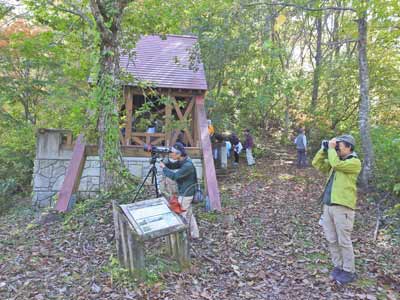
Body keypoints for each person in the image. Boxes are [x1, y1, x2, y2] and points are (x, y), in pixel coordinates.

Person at [312, 134, 361, 285]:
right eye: (336, 144)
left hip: (343, 208)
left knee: (343, 240)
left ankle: (349, 270)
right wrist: (323, 149)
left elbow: (336, 164)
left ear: (349, 147)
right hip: (328, 206)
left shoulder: (354, 162)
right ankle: (338, 266)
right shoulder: (336, 160)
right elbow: (316, 163)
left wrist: (332, 150)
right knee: (331, 239)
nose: (337, 147)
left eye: (340, 144)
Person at [160, 142, 200, 239]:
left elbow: (175, 176)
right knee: (189, 213)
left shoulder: (187, 165)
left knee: (182, 215)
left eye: (172, 153)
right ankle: (195, 234)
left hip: (186, 193)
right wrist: (164, 161)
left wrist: (164, 168)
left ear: (179, 154)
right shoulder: (184, 161)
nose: (171, 154)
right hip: (186, 192)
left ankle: (182, 237)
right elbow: (174, 165)